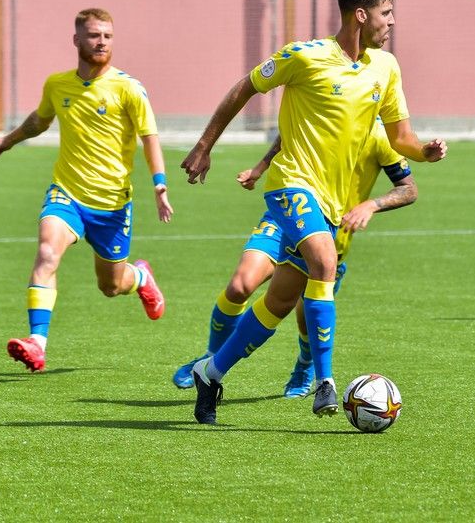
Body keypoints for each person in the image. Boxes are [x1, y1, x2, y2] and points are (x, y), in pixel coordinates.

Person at [180, 0, 446, 424]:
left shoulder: (386, 67)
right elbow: (244, 87)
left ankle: (211, 371)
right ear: (360, 15)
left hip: (329, 204)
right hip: (291, 185)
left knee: (280, 303)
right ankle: (325, 382)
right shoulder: (304, 56)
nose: (393, 21)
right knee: (321, 261)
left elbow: (401, 137)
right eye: (386, 13)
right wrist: (205, 145)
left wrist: (424, 151)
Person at [0, 7, 173, 371]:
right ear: (77, 40)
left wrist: (159, 184)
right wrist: (7, 140)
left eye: (108, 36)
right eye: (95, 35)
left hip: (112, 204)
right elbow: (40, 120)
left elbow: (150, 137)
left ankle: (141, 276)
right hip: (66, 193)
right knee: (47, 254)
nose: (102, 42)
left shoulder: (129, 88)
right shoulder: (57, 84)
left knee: (111, 286)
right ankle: (37, 342)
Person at [172, 120, 417, 398]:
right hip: (288, 213)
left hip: (330, 232)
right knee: (240, 285)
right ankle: (210, 358)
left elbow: (409, 188)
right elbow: (290, 130)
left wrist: (371, 205)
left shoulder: (379, 136)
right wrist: (260, 168)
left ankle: (305, 364)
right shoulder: (324, 105)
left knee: (303, 314)